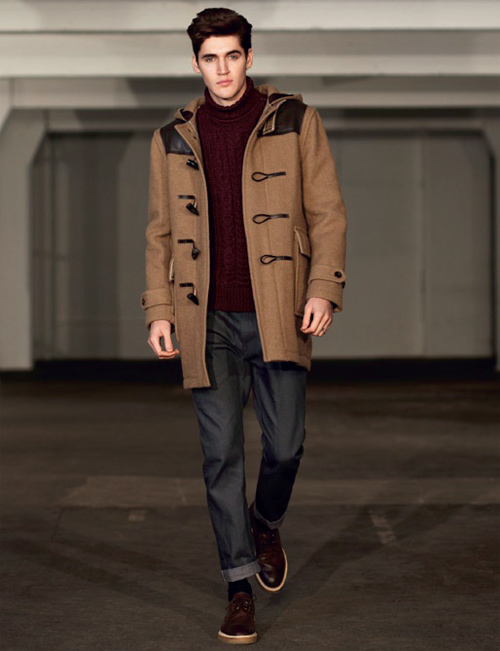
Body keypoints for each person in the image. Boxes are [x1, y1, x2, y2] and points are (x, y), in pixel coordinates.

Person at [141, 7, 347, 644]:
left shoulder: (296, 120)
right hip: (206, 318)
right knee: (220, 455)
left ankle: (266, 522)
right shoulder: (171, 137)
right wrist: (158, 309)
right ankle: (238, 589)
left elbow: (328, 213)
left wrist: (323, 288)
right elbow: (159, 232)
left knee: (285, 446)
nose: (222, 69)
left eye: (232, 56)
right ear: (196, 63)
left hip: (279, 309)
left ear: (249, 58)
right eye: (210, 58)